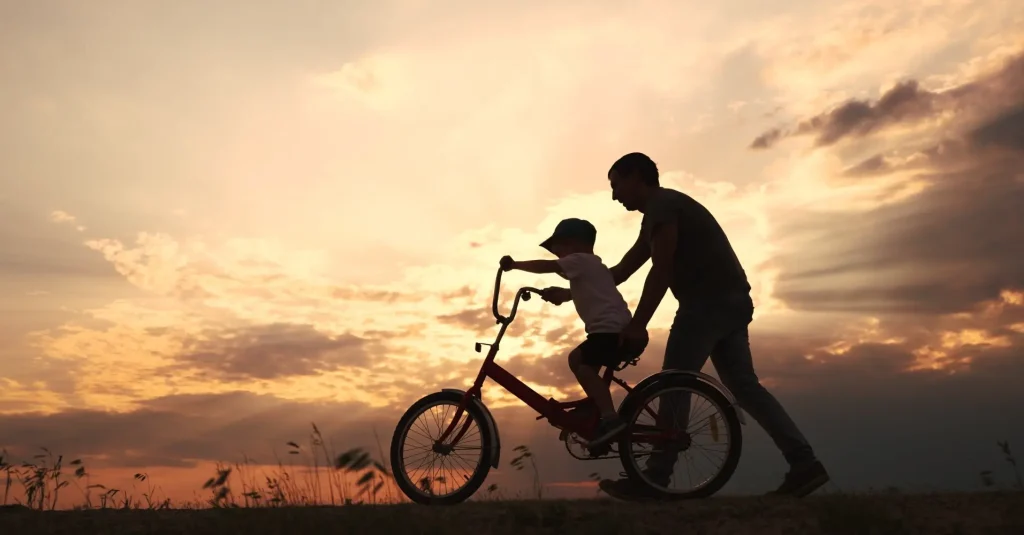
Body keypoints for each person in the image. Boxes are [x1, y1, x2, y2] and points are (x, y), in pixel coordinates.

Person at [541, 152, 829, 499]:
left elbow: (659, 269)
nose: (615, 196)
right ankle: (804, 463)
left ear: (637, 177)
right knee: (745, 387)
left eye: (617, 186)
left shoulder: (663, 207)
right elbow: (618, 273)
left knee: (673, 386)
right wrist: (570, 290)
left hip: (705, 307)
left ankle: (655, 479)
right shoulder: (657, 215)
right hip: (731, 302)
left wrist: (637, 324)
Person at [500, 217, 647, 448]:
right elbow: (583, 289)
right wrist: (563, 294)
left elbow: (548, 267)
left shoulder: (580, 260)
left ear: (574, 243)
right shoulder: (593, 266)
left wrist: (515, 265)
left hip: (609, 331)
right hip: (612, 330)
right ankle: (594, 413)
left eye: (558, 248)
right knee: (586, 366)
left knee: (577, 360)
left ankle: (611, 419)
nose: (557, 255)